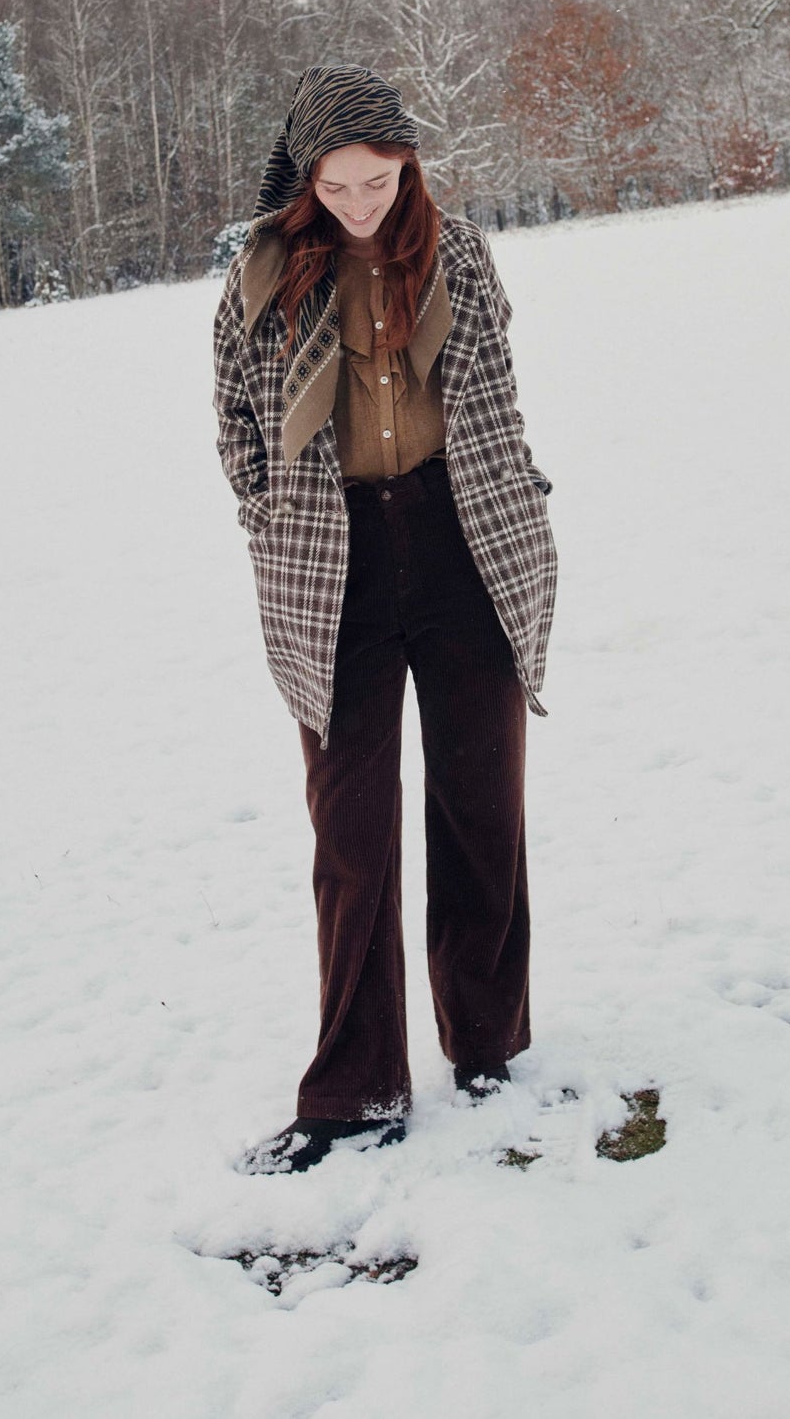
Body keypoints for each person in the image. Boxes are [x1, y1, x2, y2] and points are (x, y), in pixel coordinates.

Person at [211, 64, 557, 1173]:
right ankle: (354, 1092)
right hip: (335, 564)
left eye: (379, 180)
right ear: (304, 179)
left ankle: (489, 1044)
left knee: (481, 812)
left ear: (407, 166)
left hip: (463, 543)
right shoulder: (263, 275)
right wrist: (267, 512)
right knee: (351, 839)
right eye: (337, 185)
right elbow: (235, 419)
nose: (360, 203)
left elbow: (496, 393)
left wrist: (516, 498)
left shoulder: (457, 253)